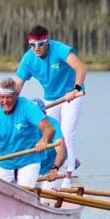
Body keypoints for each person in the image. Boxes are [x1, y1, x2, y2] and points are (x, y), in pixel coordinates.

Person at [16, 24, 87, 174]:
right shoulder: (28, 59)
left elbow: (81, 67)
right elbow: (17, 85)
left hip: (71, 95)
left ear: (47, 41)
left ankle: (69, 173)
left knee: (67, 132)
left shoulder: (59, 49)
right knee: (51, 134)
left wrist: (76, 88)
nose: (37, 48)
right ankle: (58, 168)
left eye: (40, 44)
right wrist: (11, 106)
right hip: (50, 99)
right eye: (33, 45)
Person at [0, 79, 56, 188]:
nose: (5, 101)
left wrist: (43, 140)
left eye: (9, 97)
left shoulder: (27, 106)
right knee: (0, 195)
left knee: (24, 193)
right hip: (5, 163)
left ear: (16, 95)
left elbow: (49, 128)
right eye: (2, 97)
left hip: (29, 160)